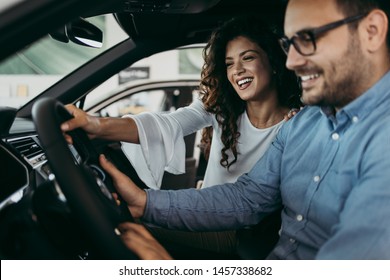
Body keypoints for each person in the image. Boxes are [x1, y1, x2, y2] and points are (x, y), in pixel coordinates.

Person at [99, 0, 390, 260]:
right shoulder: (303, 125)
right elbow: (248, 197)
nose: (292, 61)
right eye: (289, 45)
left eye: (307, 38)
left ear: (372, 31)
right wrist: (146, 202)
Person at [62, 16, 301, 255]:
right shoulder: (220, 108)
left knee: (124, 226)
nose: (237, 70)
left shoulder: (297, 125)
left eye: (248, 57)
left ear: (273, 62)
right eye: (229, 64)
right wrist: (95, 124)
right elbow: (165, 124)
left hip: (239, 232)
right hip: (201, 211)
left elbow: (253, 201)